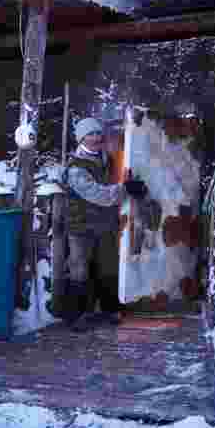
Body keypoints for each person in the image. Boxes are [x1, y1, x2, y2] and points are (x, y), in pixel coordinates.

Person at [63, 117, 147, 331]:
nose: (97, 137)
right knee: (79, 270)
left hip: (105, 225)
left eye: (99, 134)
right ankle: (77, 315)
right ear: (82, 138)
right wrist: (125, 188)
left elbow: (119, 178)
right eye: (91, 134)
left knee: (108, 267)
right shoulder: (75, 168)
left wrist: (132, 182)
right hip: (80, 227)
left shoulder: (107, 160)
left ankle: (110, 309)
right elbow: (100, 195)